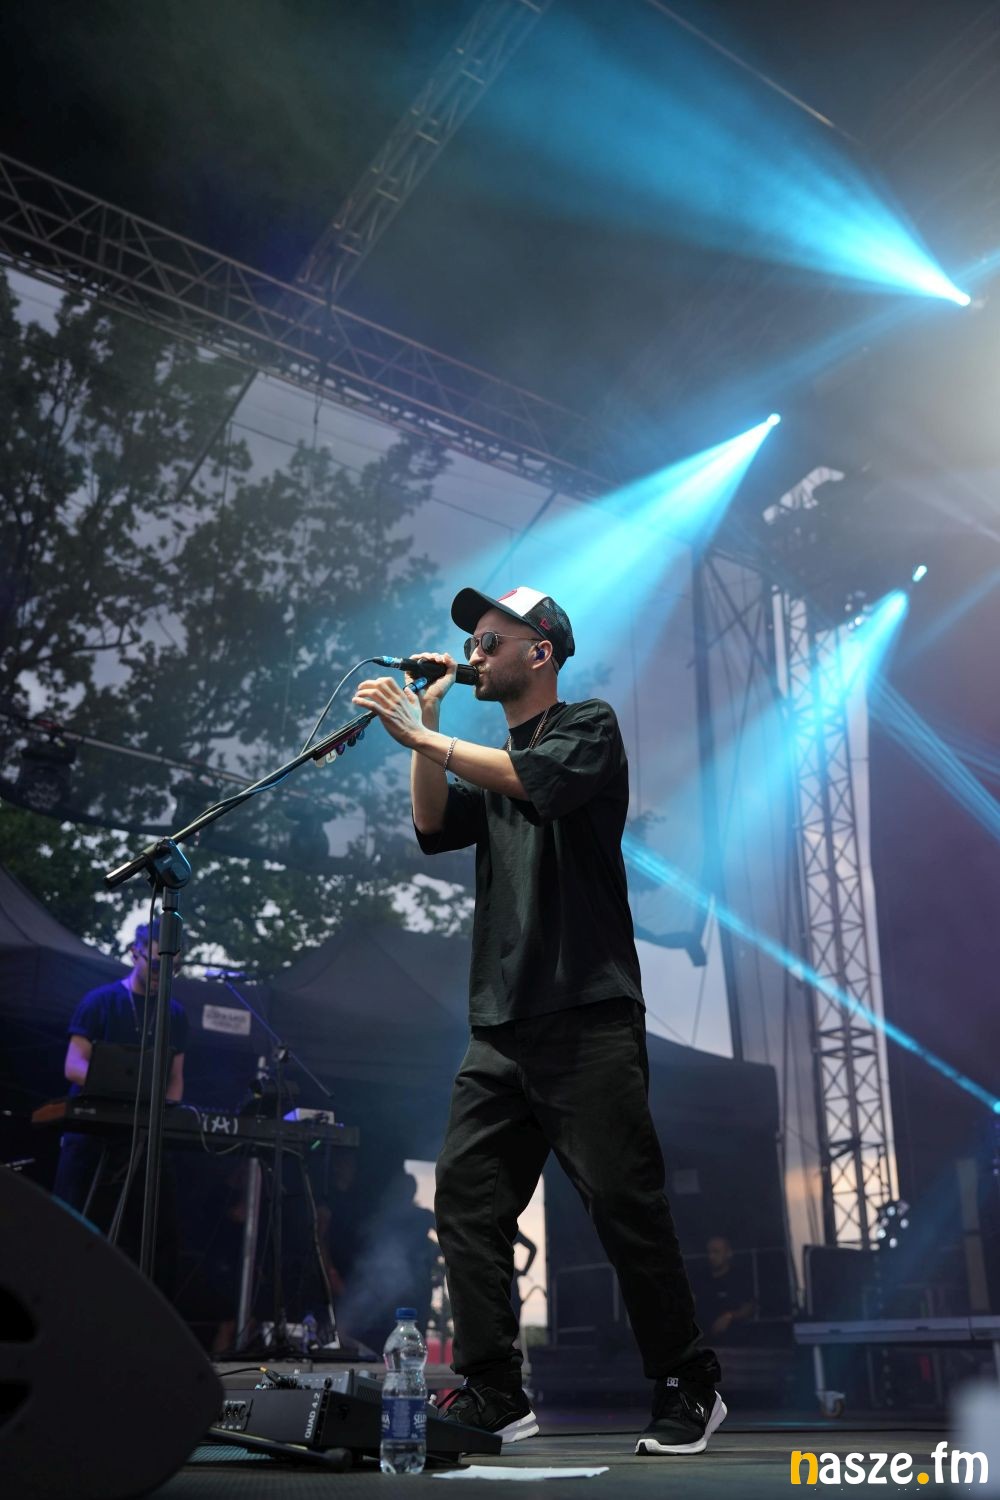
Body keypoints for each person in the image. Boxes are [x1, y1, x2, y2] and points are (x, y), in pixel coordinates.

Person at [352, 584, 724, 1456]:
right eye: (470, 644)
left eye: (489, 642)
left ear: (540, 652)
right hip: (501, 1023)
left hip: (587, 1011)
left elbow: (535, 783)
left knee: (624, 1202)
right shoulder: (488, 759)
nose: (473, 655)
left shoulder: (587, 728)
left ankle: (688, 1382)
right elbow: (432, 820)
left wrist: (423, 735)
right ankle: (494, 1389)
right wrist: (428, 722)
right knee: (466, 1200)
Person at [52, 916, 188, 1287]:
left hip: (142, 1137)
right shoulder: (100, 1001)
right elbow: (73, 1065)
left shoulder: (175, 1015)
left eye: (173, 968)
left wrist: (169, 1113)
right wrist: (116, 1086)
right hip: (91, 1135)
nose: (163, 975)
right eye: (157, 965)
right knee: (74, 1224)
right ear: (134, 953)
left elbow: (175, 1078)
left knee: (151, 1234)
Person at [689, 1235, 757, 1341]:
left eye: (716, 1252)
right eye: (709, 1252)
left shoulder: (739, 1278)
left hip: (733, 1339)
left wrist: (730, 1316)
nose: (711, 1256)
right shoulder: (700, 1278)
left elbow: (750, 1307)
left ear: (728, 1253)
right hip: (702, 1339)